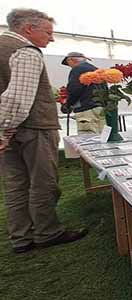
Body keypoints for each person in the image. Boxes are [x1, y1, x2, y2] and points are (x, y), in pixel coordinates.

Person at [0, 8, 87, 254]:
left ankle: (21, 237)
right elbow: (18, 98)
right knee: (43, 182)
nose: (51, 38)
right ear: (29, 29)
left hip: (10, 131)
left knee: (15, 183)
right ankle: (47, 232)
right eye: (48, 32)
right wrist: (5, 131)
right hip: (32, 128)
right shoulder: (25, 51)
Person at [61, 51, 104, 134]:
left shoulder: (77, 69)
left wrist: (68, 104)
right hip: (100, 108)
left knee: (88, 138)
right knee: (100, 135)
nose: (70, 66)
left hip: (86, 109)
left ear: (71, 60)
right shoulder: (96, 69)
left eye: (69, 63)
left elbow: (75, 89)